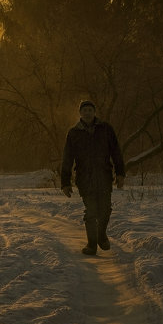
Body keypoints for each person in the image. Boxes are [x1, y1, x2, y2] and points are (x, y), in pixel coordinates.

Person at [60, 100, 125, 256]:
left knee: (105, 209)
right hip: (84, 178)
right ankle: (91, 244)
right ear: (80, 113)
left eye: (90, 110)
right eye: (85, 110)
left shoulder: (106, 129)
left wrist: (121, 173)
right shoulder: (74, 133)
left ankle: (101, 234)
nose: (87, 113)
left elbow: (116, 151)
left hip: (104, 176)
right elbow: (67, 158)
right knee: (91, 211)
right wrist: (65, 183)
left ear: (94, 112)